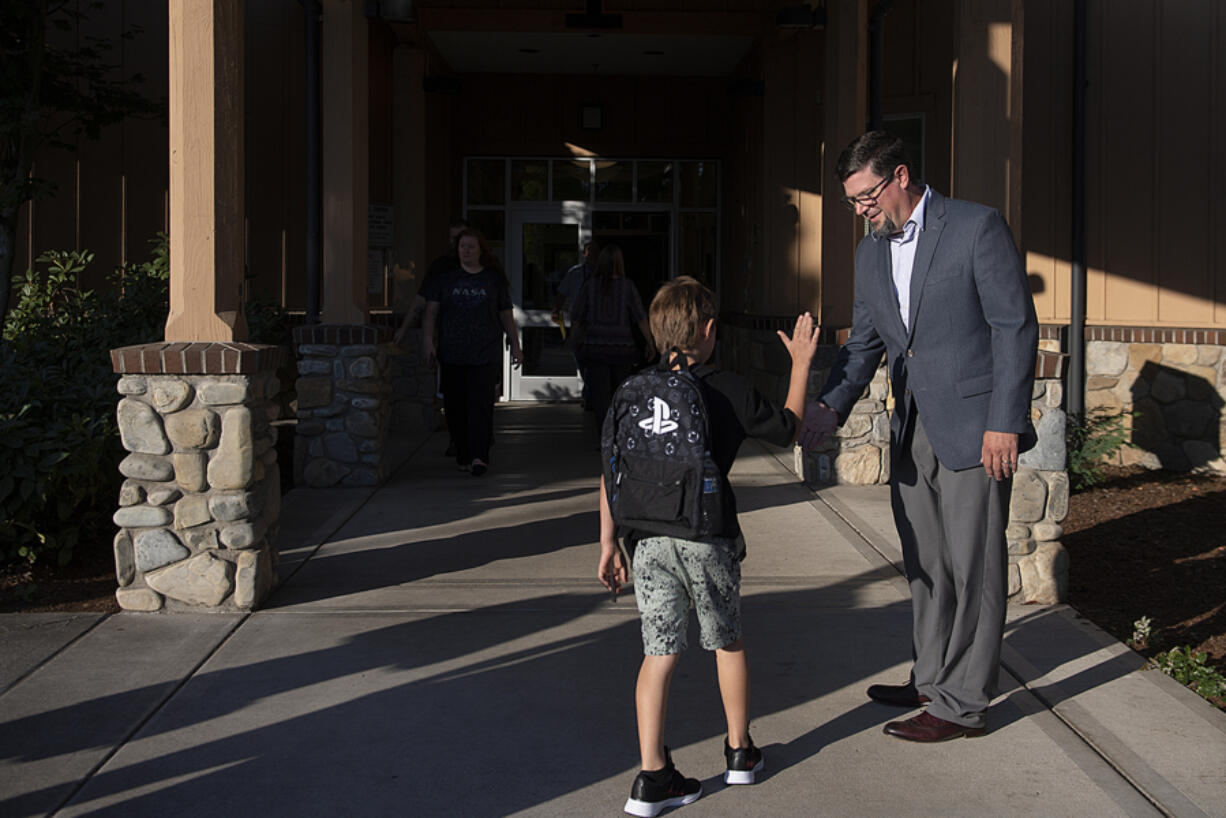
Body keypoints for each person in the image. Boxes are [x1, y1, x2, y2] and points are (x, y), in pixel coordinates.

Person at [799, 131, 1037, 742]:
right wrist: (830, 403)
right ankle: (931, 675)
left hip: (977, 429)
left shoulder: (976, 228)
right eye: (852, 202)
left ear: (900, 175)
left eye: (866, 196)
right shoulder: (870, 252)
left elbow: (1014, 327)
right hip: (913, 431)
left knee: (973, 566)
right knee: (927, 564)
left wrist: (1004, 421)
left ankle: (962, 704)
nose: (861, 211)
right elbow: (865, 344)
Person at [598, 276, 819, 817]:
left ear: (657, 332)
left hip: (646, 540)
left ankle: (652, 777)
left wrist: (608, 542)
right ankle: (740, 752)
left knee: (658, 654)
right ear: (710, 330)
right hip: (705, 536)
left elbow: (609, 470)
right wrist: (801, 363)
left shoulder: (634, 389)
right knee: (726, 642)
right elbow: (788, 428)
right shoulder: (726, 387)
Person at [422, 228, 522, 477]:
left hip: (485, 353)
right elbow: (431, 312)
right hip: (453, 353)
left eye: (471, 247)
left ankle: (480, 456)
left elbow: (505, 315)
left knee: (481, 406)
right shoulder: (445, 279)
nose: (466, 251)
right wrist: (427, 340)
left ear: (481, 251)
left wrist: (516, 345)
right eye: (462, 247)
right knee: (455, 408)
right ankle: (464, 453)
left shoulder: (493, 280)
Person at [570, 244, 654, 434]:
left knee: (601, 398)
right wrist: (650, 341)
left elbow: (577, 316)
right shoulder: (628, 287)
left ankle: (604, 436)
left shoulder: (590, 286)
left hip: (595, 350)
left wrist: (574, 341)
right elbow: (640, 317)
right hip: (622, 350)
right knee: (621, 395)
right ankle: (619, 434)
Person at [394, 218, 468, 343]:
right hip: (448, 336)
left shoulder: (485, 268)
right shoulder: (440, 266)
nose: (456, 243)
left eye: (460, 238)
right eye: (453, 238)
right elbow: (421, 300)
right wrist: (403, 329)